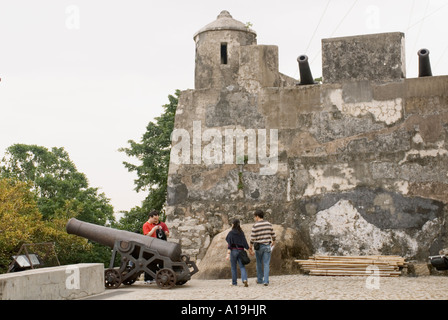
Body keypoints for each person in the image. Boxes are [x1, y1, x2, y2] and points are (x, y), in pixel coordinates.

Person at [249, 209, 276, 286]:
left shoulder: (255, 225)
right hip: (267, 246)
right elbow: (273, 234)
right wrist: (273, 241)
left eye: (254, 217)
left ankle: (260, 279)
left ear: (257, 216)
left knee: (259, 263)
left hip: (258, 247)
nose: (254, 218)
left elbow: (252, 237)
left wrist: (250, 247)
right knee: (266, 263)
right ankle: (266, 281)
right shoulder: (268, 224)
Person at [142, 210, 170, 283]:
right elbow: (147, 235)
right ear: (150, 217)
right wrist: (154, 229)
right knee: (149, 262)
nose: (156, 220)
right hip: (149, 245)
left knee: (154, 262)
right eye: (154, 218)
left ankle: (153, 277)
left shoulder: (152, 225)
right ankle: (148, 279)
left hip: (154, 245)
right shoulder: (146, 225)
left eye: (157, 218)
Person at [225, 219, 249, 287]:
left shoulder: (231, 233)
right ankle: (244, 279)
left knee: (233, 267)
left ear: (233, 224)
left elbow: (229, 243)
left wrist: (228, 253)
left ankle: (234, 282)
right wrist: (248, 248)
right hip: (241, 251)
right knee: (242, 266)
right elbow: (244, 242)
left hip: (233, 251)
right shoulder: (241, 232)